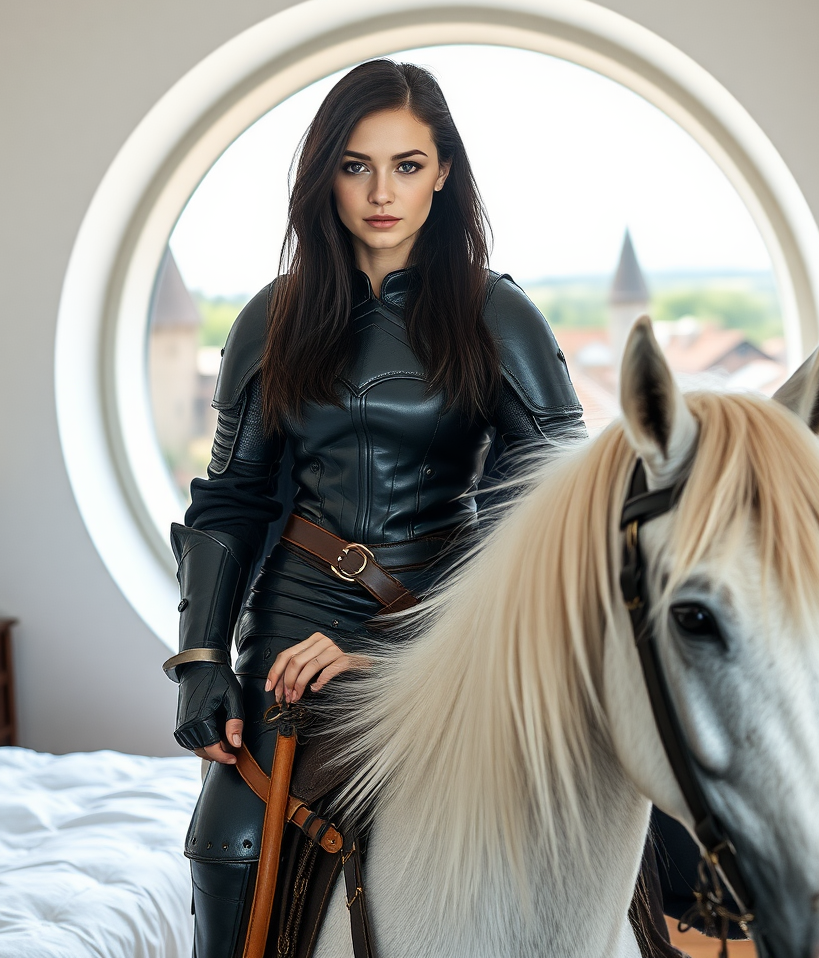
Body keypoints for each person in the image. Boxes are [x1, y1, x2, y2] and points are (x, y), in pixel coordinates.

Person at [163, 59, 585, 958]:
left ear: (443, 173)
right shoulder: (270, 319)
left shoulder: (498, 316)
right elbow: (232, 500)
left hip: (444, 624)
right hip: (293, 621)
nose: (381, 191)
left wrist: (397, 648)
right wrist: (201, 659)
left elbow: (553, 514)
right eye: (356, 166)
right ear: (326, 178)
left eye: (405, 164)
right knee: (226, 844)